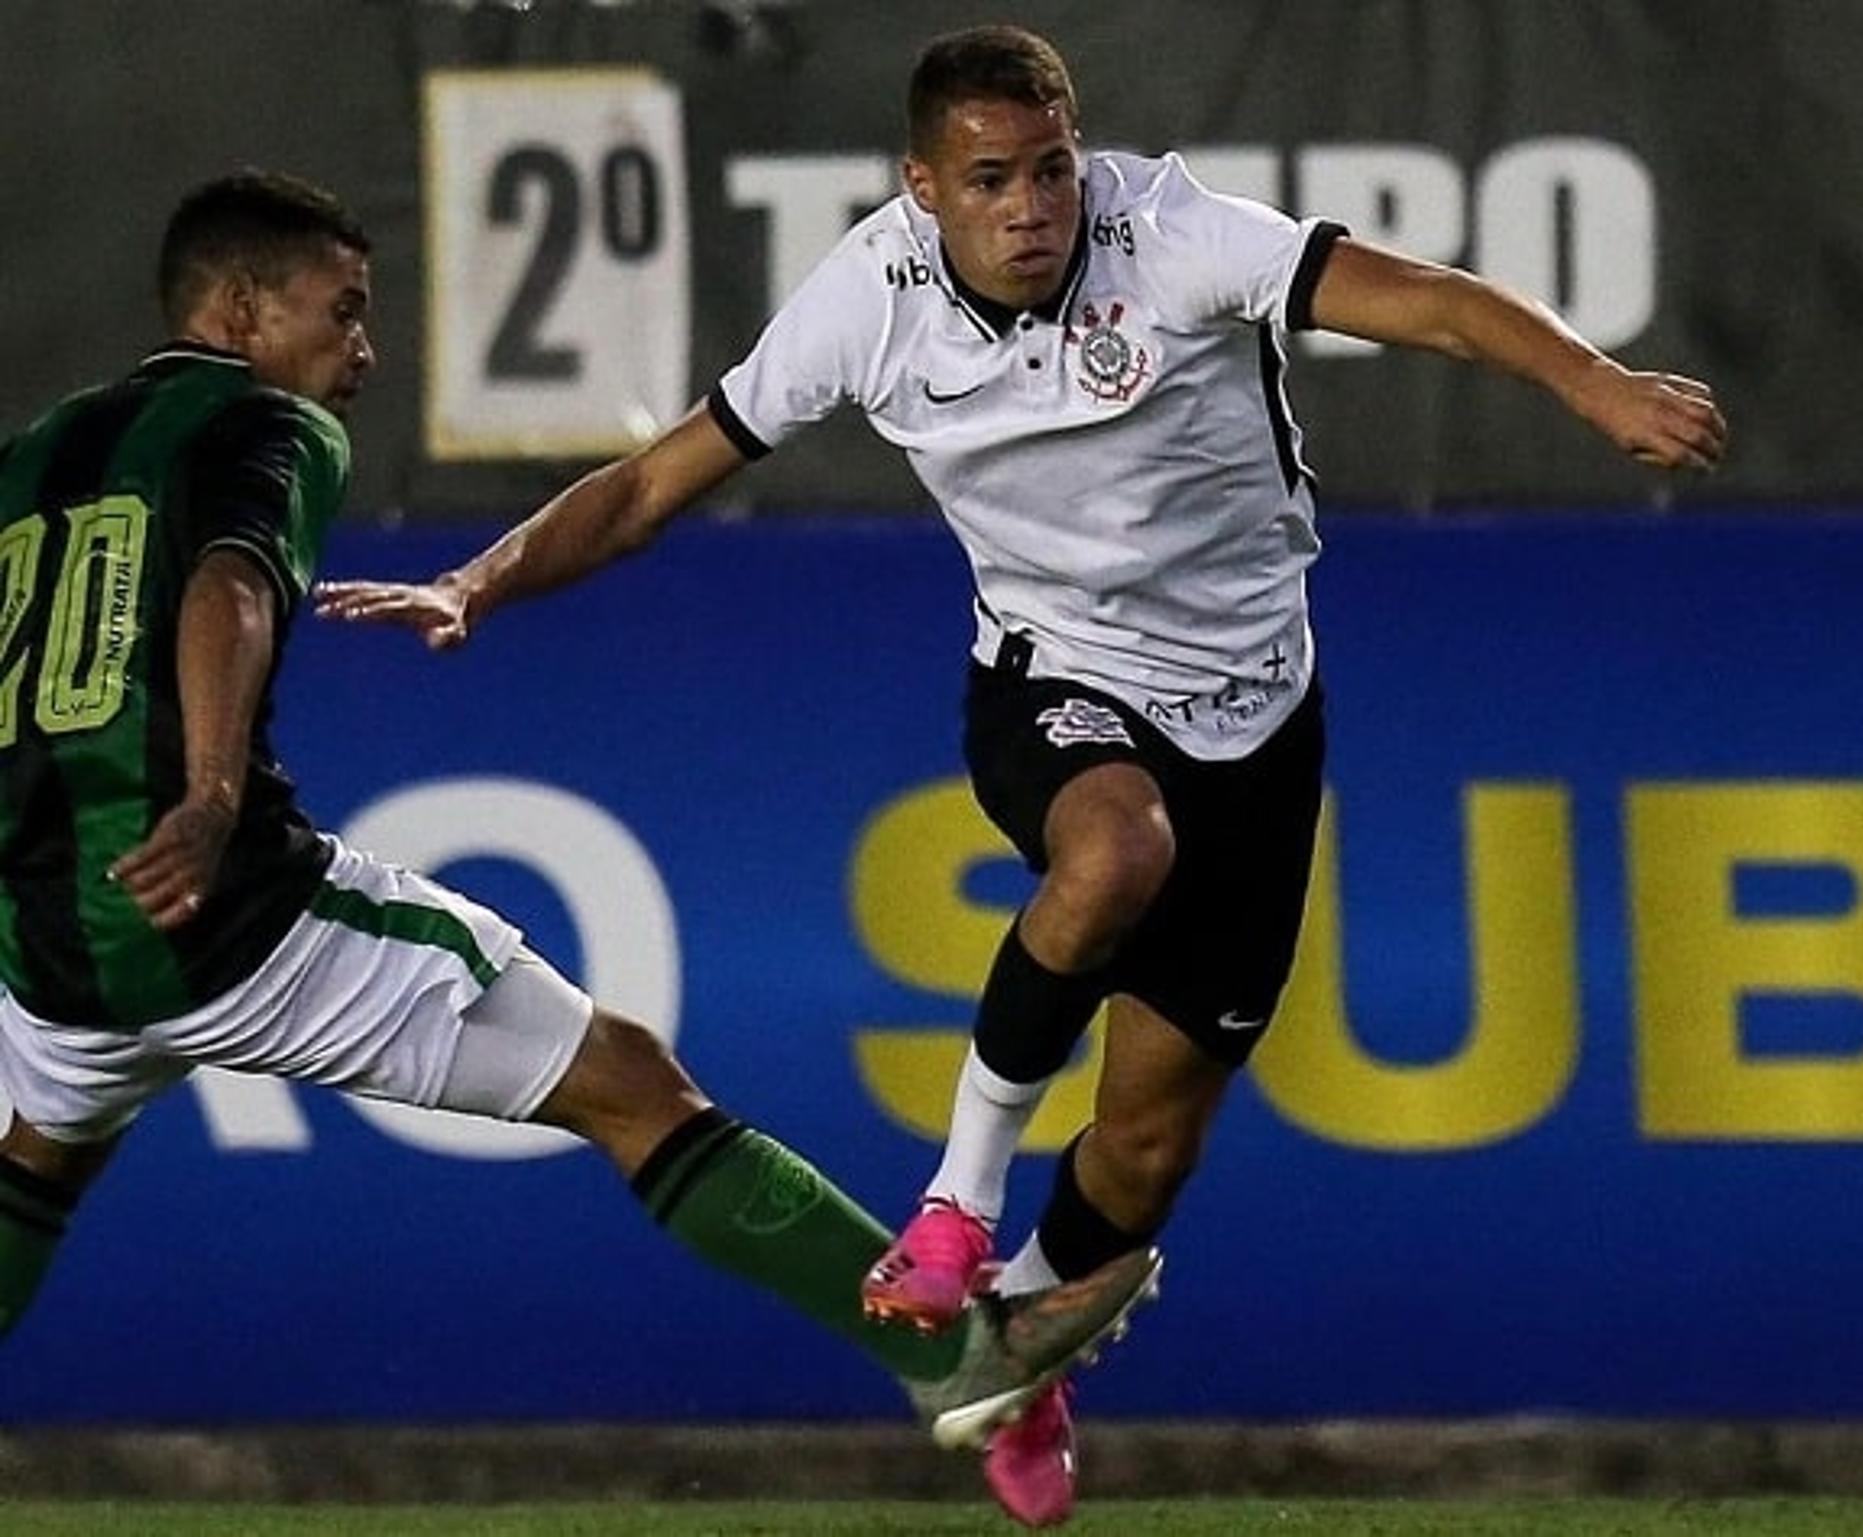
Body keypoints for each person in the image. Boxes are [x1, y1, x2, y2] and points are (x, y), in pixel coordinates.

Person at [316, 23, 1728, 1527]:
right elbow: (657, 480)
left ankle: (1013, 1349)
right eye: (992, 178)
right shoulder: (868, 298)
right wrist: (483, 578)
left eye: (1050, 166)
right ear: (923, 187)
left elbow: (1428, 301)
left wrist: (1593, 383)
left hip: (1258, 717)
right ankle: (955, 1203)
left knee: (1148, 1139)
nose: (1034, 203)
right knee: (1113, 853)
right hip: (1054, 684)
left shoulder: (1169, 231)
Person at [0, 167, 1162, 1463]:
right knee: (626, 1079)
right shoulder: (270, 428)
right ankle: (949, 1351)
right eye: (343, 311)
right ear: (238, 310)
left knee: (41, 1152)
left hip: (42, 930)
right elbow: (234, 584)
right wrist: (212, 794)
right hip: (218, 913)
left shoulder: (36, 453)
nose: (364, 351)